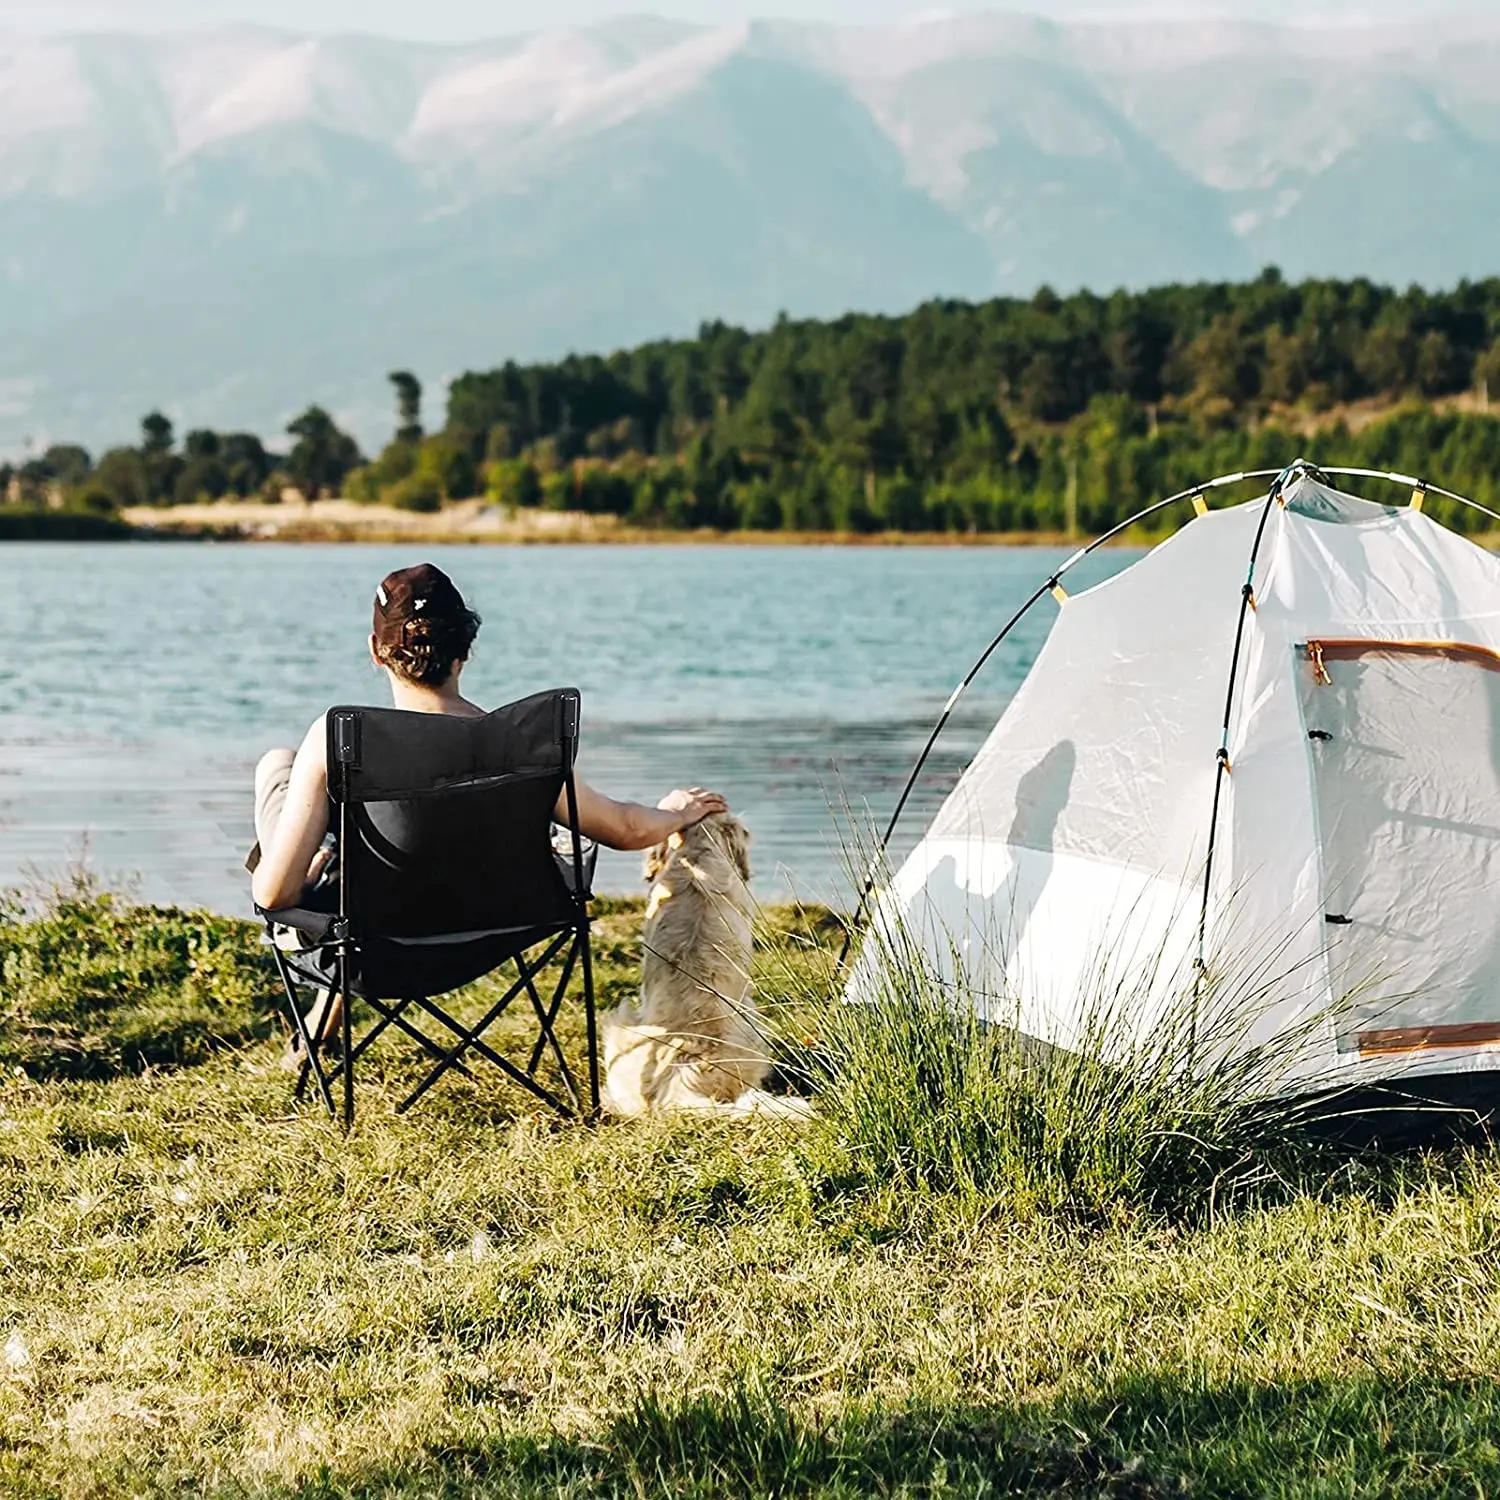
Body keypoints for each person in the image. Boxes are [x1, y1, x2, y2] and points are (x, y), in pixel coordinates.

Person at [249, 561, 728, 915]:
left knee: (279, 766)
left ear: (377, 651)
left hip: (371, 944)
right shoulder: (522, 744)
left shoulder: (339, 739)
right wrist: (679, 813)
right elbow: (624, 828)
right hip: (496, 932)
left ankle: (319, 858)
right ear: (466, 650)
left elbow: (273, 897)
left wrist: (307, 871)